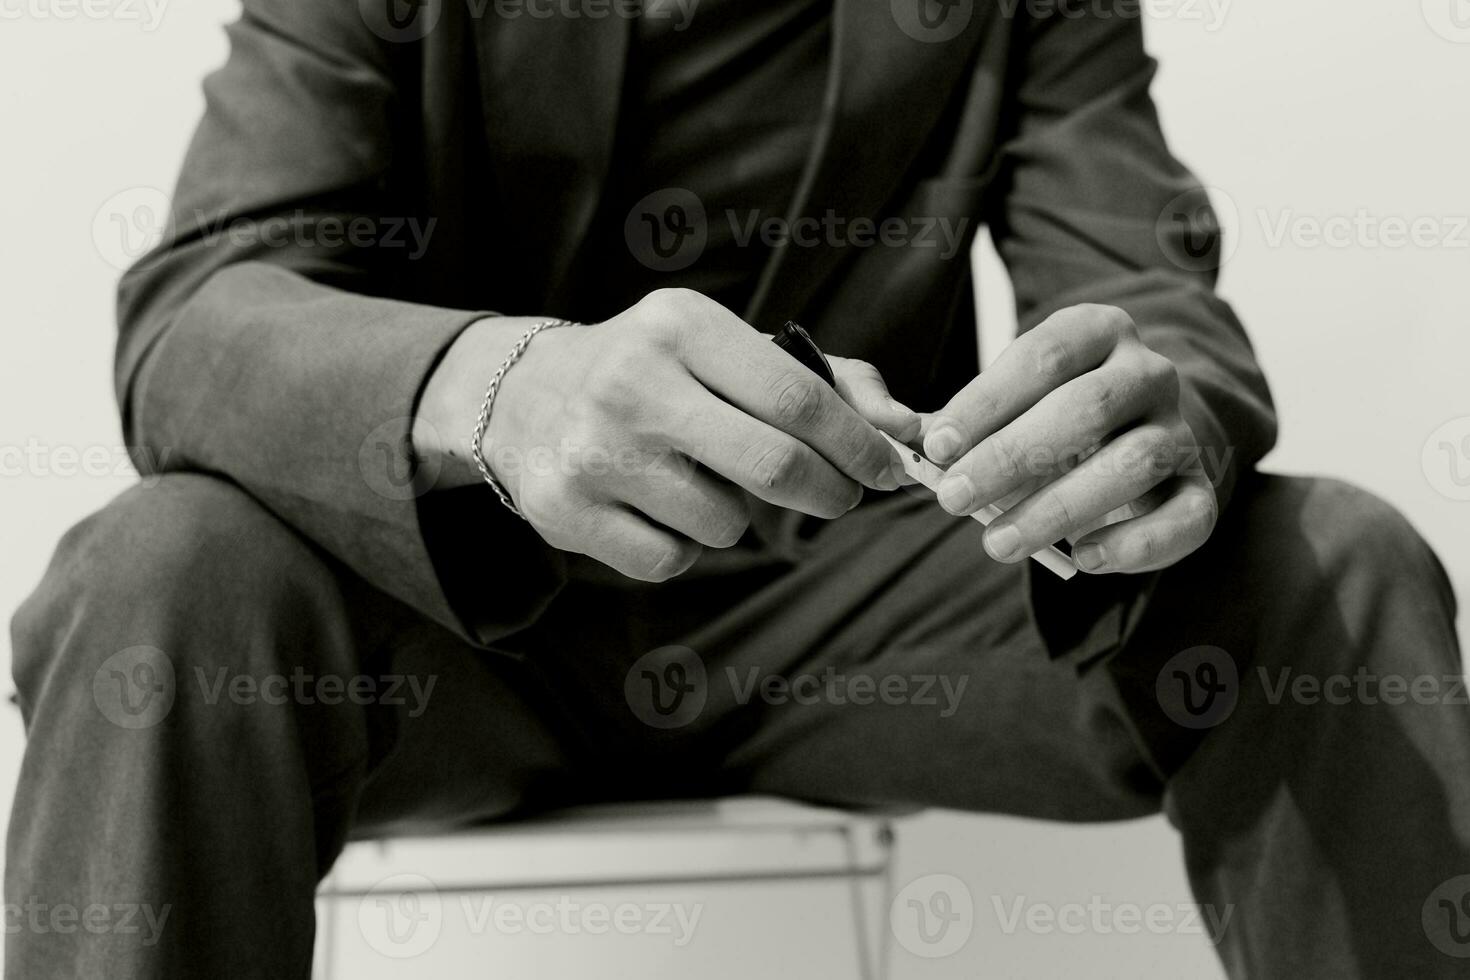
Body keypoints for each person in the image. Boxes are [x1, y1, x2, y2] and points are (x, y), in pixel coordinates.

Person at [8, 0, 1466, 976]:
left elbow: (1140, 286)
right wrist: (498, 390)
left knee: (1328, 559)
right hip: (446, 622)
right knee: (163, 566)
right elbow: (199, 311)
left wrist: (1154, 421)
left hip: (864, 616)